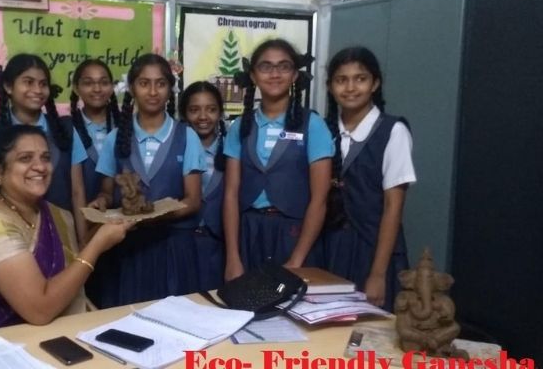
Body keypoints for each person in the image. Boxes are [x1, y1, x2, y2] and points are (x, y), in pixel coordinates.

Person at [0, 125, 132, 332]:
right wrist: (97, 245)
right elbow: (40, 311)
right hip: (3, 340)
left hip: (64, 334)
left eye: (45, 158)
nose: (40, 167)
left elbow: (72, 284)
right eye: (25, 158)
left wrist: (106, 227)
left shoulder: (59, 215)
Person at [89, 53, 205, 307]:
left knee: (174, 318)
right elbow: (107, 192)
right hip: (127, 249)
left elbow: (193, 200)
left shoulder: (187, 137)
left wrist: (158, 216)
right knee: (128, 318)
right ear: (132, 88)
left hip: (173, 249)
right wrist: (101, 202)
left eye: (160, 84)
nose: (153, 92)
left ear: (170, 89)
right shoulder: (115, 138)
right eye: (144, 83)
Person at [222, 38, 334, 281]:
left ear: (294, 75)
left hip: (295, 235)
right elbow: (230, 194)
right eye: (265, 67)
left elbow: (320, 199)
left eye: (284, 66)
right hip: (249, 233)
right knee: (247, 301)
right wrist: (233, 256)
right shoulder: (240, 127)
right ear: (253, 76)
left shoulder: (313, 125)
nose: (275, 74)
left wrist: (297, 259)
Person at [321, 46, 416, 310]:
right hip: (330, 248)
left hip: (374, 251)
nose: (350, 88)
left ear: (375, 83)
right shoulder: (324, 130)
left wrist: (377, 274)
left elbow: (393, 207)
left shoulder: (393, 131)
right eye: (341, 80)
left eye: (360, 79)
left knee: (371, 329)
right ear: (330, 87)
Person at [0, 53, 89, 243]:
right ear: (8, 86)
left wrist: (82, 242)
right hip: (10, 240)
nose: (37, 90)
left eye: (43, 84)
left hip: (62, 239)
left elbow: (77, 192)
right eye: (28, 82)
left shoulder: (65, 130)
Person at [178, 81, 227, 291]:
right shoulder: (175, 148)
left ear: (220, 113)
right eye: (194, 110)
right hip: (181, 240)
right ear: (184, 113)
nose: (203, 116)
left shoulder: (230, 149)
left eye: (211, 109)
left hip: (218, 242)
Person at [69, 59, 120, 208]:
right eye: (88, 83)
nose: (97, 89)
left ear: (112, 87)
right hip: (78, 213)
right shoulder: (66, 129)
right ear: (76, 88)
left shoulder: (125, 126)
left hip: (123, 215)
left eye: (104, 82)